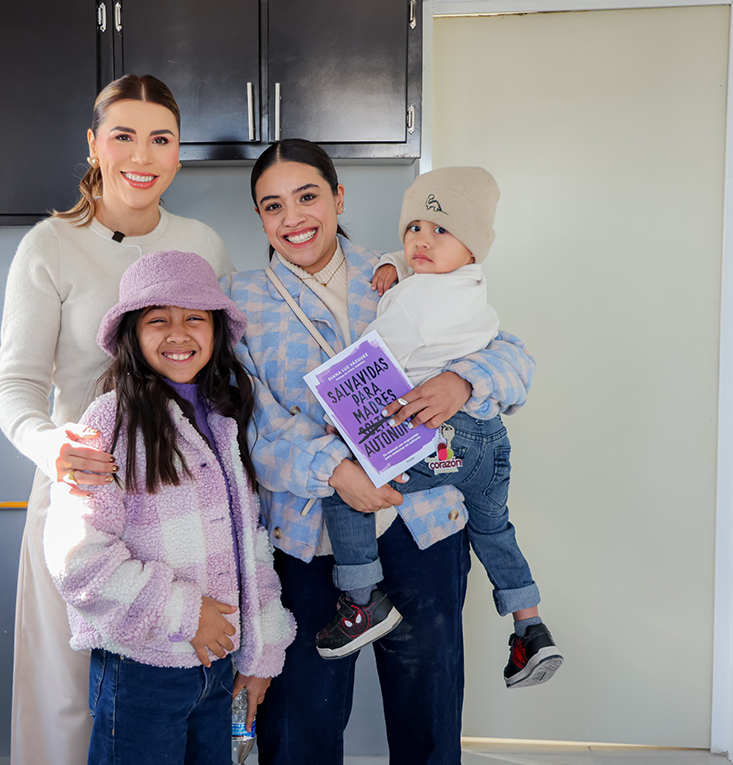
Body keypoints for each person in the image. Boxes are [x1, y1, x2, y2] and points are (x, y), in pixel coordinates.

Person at [222, 139, 536, 764]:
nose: (293, 218)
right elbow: (251, 426)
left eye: (308, 196)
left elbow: (512, 356)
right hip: (310, 531)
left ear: (338, 198)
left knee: (428, 718)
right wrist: (336, 472)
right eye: (273, 206)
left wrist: (463, 381)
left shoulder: (408, 268)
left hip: (424, 521)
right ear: (259, 217)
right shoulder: (240, 300)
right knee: (301, 725)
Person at [0, 75, 233, 764]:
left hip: (185, 507)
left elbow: (225, 368)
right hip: (84, 495)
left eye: (161, 139)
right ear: (94, 144)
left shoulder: (203, 244)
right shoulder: (50, 246)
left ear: (179, 152)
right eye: (124, 135)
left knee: (179, 683)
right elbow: (16, 384)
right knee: (69, 696)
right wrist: (52, 446)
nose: (142, 155)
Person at [42, 249, 295, 765]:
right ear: (132, 334)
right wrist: (185, 613)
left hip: (219, 668)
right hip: (141, 671)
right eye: (158, 320)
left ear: (216, 331)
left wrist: (262, 651)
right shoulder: (109, 422)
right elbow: (78, 560)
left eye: (194, 318)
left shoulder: (225, 418)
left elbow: (252, 545)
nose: (178, 334)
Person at [316, 166, 562, 688]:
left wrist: (343, 406)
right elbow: (426, 260)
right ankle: (530, 625)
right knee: (493, 528)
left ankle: (362, 601)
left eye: (439, 230)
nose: (420, 242)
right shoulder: (470, 282)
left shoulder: (415, 303)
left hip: (442, 439)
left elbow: (374, 360)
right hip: (489, 442)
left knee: (347, 488)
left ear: (471, 245)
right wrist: (395, 262)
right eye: (413, 228)